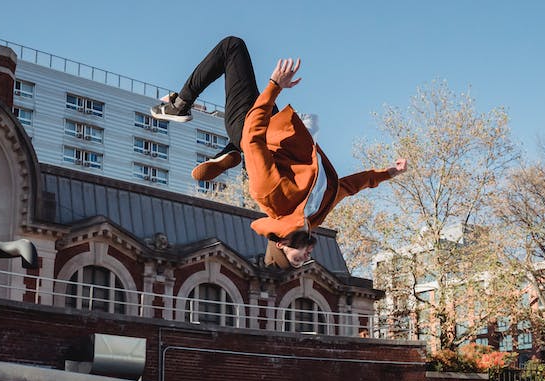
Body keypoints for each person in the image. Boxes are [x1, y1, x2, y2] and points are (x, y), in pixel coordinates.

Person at [152, 37, 406, 269]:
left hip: (249, 129)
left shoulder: (271, 196)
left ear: (282, 244)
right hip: (274, 135)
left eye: (297, 258)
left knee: (232, 47)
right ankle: (232, 152)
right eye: (303, 260)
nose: (306, 257)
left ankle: (180, 106)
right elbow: (349, 186)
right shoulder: (315, 214)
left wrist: (274, 87)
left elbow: (252, 136)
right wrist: (388, 173)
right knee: (252, 146)